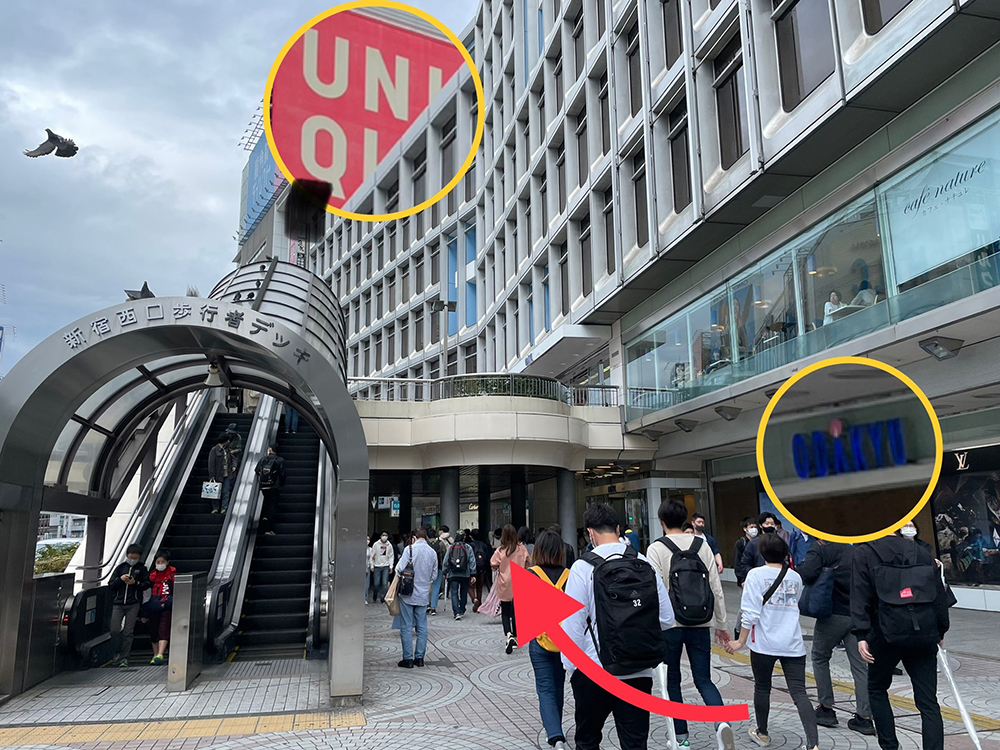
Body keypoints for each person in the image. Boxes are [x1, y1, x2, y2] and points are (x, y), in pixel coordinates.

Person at [562, 504, 674, 750]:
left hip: (594, 672)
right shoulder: (643, 562)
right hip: (638, 671)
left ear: (590, 533)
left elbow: (571, 627)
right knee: (635, 744)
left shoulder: (582, 568)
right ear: (618, 528)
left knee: (588, 741)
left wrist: (573, 672)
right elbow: (667, 618)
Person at [852, 529, 951, 750]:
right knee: (928, 701)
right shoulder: (922, 551)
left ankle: (890, 746)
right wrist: (940, 630)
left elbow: (860, 594)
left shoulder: (865, 552)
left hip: (884, 633)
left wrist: (861, 634)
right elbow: (938, 594)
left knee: (877, 689)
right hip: (924, 632)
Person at [647, 500, 733, 750]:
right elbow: (716, 588)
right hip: (700, 622)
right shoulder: (702, 545)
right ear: (685, 519)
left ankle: (681, 738)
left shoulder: (657, 548)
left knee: (672, 681)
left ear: (661, 521)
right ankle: (722, 723)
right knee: (704, 679)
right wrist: (721, 624)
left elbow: (656, 590)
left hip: (670, 625)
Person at [727, 533, 818, 750]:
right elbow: (795, 602)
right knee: (799, 692)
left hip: (764, 643)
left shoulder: (755, 575)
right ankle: (813, 744)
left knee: (762, 687)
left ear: (762, 552)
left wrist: (740, 641)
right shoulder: (795, 577)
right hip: (792, 642)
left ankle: (763, 733)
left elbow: (750, 612)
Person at [797, 539, 875, 735]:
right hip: (857, 614)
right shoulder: (857, 549)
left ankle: (826, 708)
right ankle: (864, 717)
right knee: (859, 665)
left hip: (833, 613)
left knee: (820, 657)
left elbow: (807, 573)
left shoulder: (822, 547)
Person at [528, 530, 571, 750]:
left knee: (545, 689)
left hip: (540, 639)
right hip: (564, 641)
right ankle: (557, 730)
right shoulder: (569, 574)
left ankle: (555, 736)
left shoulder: (531, 574)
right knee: (559, 686)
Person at [395, 528, 438, 668]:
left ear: (414, 537)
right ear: (425, 537)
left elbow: (400, 568)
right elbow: (434, 575)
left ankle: (407, 659)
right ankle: (420, 658)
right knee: (422, 626)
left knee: (406, 626)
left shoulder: (409, 549)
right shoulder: (432, 553)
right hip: (423, 594)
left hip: (408, 593)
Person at [108, 543, 149, 668]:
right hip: (118, 603)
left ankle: (124, 657)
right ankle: (116, 653)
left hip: (133, 603)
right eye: (130, 557)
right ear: (126, 555)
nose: (132, 560)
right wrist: (120, 580)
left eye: (135, 558)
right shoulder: (120, 568)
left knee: (128, 631)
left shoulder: (142, 569)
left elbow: (146, 584)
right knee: (114, 629)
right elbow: (111, 585)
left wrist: (134, 583)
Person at [491, 524, 530, 654]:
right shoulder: (521, 548)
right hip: (520, 583)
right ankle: (515, 634)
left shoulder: (501, 550)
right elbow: (529, 562)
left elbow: (493, 563)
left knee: (506, 611)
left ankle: (509, 635)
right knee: (517, 612)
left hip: (505, 583)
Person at [144, 551, 175, 666]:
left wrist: (167, 602)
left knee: (163, 629)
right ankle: (155, 654)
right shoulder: (151, 576)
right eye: (158, 562)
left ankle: (160, 654)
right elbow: (146, 593)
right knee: (153, 630)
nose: (160, 564)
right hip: (153, 606)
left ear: (167, 562)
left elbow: (175, 591)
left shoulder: (172, 575)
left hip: (165, 606)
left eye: (162, 562)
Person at [254, 442, 287, 536]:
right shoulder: (280, 460)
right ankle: (269, 528)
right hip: (275, 486)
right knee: (272, 505)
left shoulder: (263, 459)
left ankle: (264, 517)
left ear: (270, 449)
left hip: (264, 486)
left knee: (266, 502)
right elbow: (283, 474)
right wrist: (281, 484)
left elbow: (257, 470)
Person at [738, 512, 781, 581]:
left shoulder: (781, 542)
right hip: (758, 580)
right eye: (767, 524)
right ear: (761, 525)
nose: (770, 526)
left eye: (772, 524)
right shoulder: (753, 544)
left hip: (778, 579)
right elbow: (745, 564)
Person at [444, 532, 477, 620]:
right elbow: (472, 561)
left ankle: (456, 612)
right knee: (463, 592)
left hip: (453, 573)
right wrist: (473, 573)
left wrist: (445, 571)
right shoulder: (468, 547)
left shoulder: (451, 547)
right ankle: (462, 609)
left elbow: (445, 560)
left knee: (454, 593)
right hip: (465, 574)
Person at [206, 434, 232, 514]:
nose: (228, 442)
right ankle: (215, 508)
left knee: (226, 492)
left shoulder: (226, 450)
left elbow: (231, 459)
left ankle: (224, 508)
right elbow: (211, 463)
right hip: (217, 475)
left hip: (226, 474)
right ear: (224, 441)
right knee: (215, 492)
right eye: (227, 441)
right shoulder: (214, 450)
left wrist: (233, 466)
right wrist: (212, 475)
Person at [428, 526, 451, 615]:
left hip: (427, 569)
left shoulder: (426, 544)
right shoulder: (440, 543)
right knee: (436, 587)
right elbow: (445, 557)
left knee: (426, 586)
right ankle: (433, 607)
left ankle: (427, 604)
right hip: (438, 567)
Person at [468, 529, 492, 612]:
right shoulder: (484, 545)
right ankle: (479, 602)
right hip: (482, 568)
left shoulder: (470, 546)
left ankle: (474, 599)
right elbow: (488, 557)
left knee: (470, 586)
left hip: (472, 569)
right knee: (479, 587)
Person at [370, 531, 394, 603]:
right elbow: (372, 556)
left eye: (386, 535)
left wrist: (391, 566)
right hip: (377, 566)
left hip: (385, 566)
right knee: (376, 583)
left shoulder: (389, 545)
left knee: (384, 583)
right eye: (383, 535)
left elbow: (391, 556)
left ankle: (382, 597)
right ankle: (375, 594)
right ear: (380, 536)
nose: (384, 537)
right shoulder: (376, 545)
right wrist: (372, 565)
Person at [734, 518, 759, 587]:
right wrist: (741, 579)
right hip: (746, 578)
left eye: (755, 527)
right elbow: (738, 562)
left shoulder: (760, 542)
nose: (754, 529)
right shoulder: (741, 543)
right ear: (745, 529)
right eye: (751, 527)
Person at [365, 536, 373, 604]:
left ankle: (365, 598)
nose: (367, 541)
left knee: (367, 584)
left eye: (368, 539)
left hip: (367, 567)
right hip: (360, 568)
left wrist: (371, 566)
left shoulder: (370, 549)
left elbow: (371, 559)